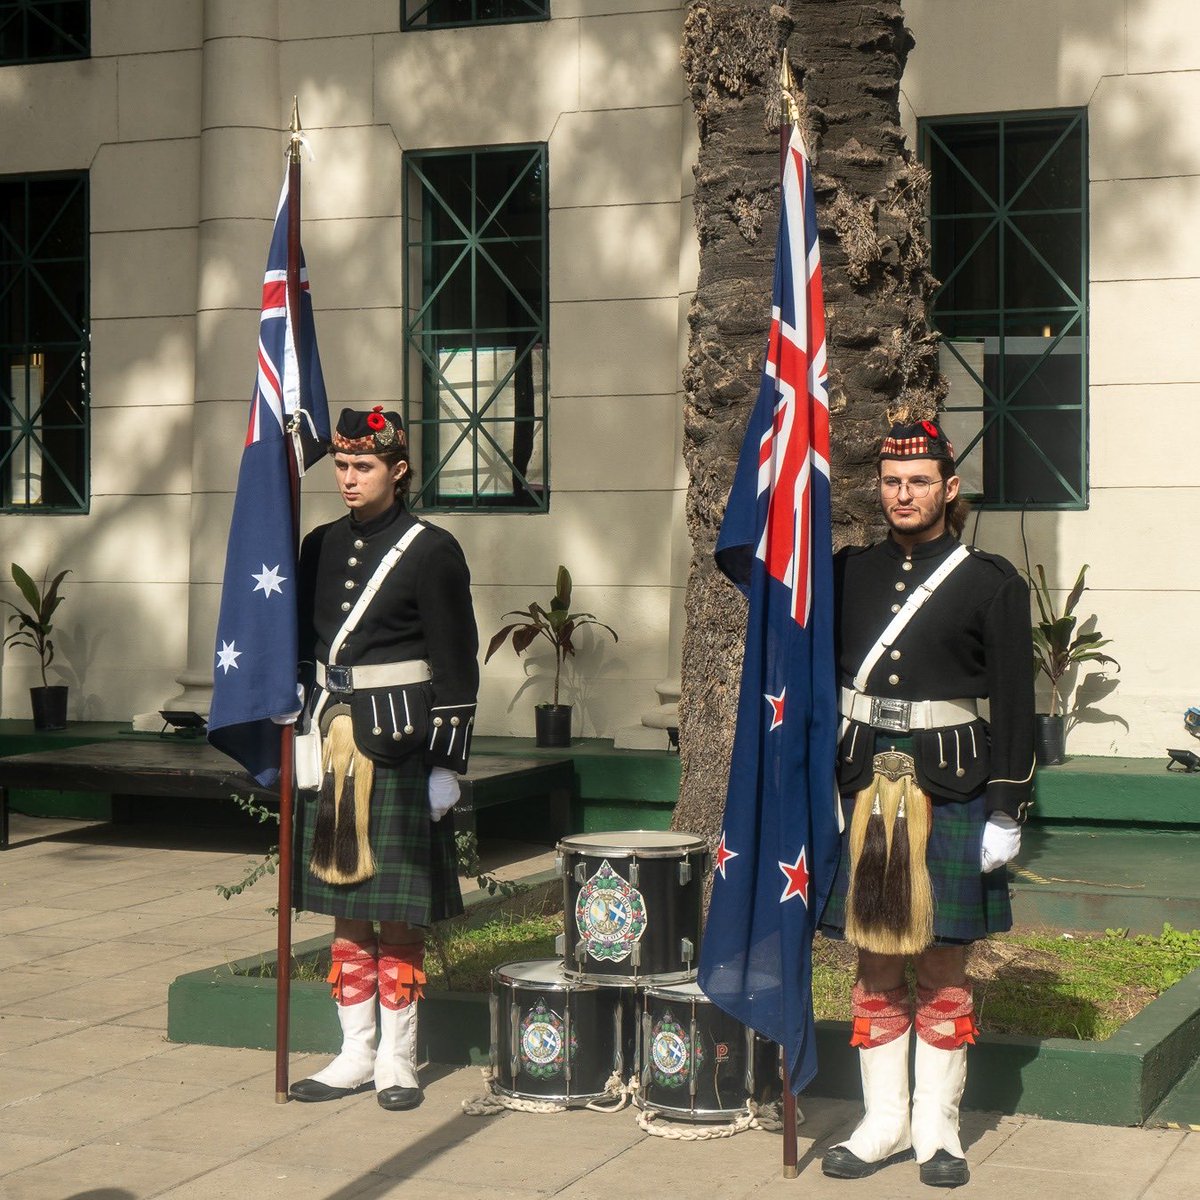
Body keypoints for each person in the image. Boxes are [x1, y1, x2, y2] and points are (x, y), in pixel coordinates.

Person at [819, 418, 1034, 1188]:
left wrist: (1007, 808)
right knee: (874, 955)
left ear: (949, 489)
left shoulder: (991, 581)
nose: (902, 494)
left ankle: (938, 1131)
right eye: (890, 482)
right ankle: (882, 1124)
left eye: (917, 482)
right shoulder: (843, 573)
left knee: (944, 961)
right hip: (863, 787)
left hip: (954, 790)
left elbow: (1015, 701)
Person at [288, 406, 478, 1111]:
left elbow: (456, 664)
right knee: (345, 906)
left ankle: (397, 1059)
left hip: (400, 746)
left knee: (398, 915)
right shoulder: (317, 546)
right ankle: (353, 1052)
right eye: (341, 465)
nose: (348, 478)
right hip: (333, 736)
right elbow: (306, 649)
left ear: (398, 471)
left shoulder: (432, 550)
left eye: (363, 466)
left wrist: (445, 765)